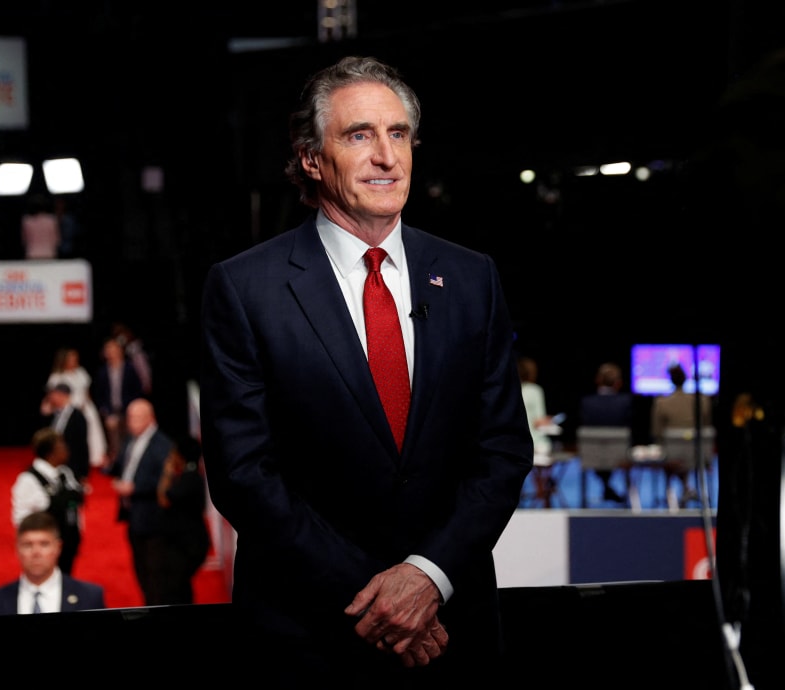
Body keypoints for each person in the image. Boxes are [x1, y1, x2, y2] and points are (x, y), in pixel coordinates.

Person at [199, 56, 534, 686]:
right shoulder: (245, 288)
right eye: (360, 135)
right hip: (310, 637)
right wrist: (383, 599)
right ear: (310, 158)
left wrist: (428, 578)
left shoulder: (471, 277)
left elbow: (504, 450)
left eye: (399, 134)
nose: (386, 155)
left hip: (453, 635)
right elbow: (245, 475)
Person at [106, 398, 174, 606]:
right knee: (140, 566)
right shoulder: (130, 439)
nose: (131, 422)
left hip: (154, 518)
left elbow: (166, 480)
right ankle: (148, 602)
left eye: (137, 418)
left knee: (154, 571)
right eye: (130, 417)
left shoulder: (163, 444)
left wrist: (135, 488)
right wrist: (110, 469)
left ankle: (156, 606)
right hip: (133, 515)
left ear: (150, 418)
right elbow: (123, 465)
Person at [0, 511, 105, 615]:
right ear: (17, 549)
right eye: (28, 545)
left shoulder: (90, 598)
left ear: (58, 548)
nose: (36, 553)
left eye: (44, 544)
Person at [11, 427, 85, 574]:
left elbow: (74, 503)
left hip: (68, 543)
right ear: (51, 453)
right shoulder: (28, 480)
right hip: (45, 550)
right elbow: (21, 519)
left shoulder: (65, 473)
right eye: (62, 446)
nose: (67, 449)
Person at [154, 434, 211, 605]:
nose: (171, 456)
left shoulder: (189, 478)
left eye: (174, 453)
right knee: (179, 586)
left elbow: (163, 498)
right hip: (188, 541)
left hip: (188, 545)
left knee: (176, 587)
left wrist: (166, 473)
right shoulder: (191, 474)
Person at [650, 363, 713, 508]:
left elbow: (657, 432)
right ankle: (686, 488)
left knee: (674, 457)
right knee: (684, 455)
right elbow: (707, 427)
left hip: (673, 458)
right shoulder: (702, 401)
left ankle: (684, 489)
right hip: (699, 456)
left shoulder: (662, 403)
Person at [43, 346, 108, 471]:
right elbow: (52, 397)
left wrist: (87, 404)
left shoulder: (81, 372)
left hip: (86, 408)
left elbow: (87, 392)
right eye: (71, 358)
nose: (74, 360)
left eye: (75, 358)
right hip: (67, 410)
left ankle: (94, 457)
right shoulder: (57, 376)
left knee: (91, 434)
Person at [579, 362, 633, 504]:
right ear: (618, 383)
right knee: (609, 448)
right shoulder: (625, 402)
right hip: (618, 456)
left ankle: (607, 488)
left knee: (601, 448)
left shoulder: (587, 403)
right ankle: (608, 489)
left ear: (598, 380)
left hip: (593, 456)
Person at [92, 337, 143, 463]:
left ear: (120, 350)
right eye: (107, 350)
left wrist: (131, 409)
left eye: (113, 349)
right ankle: (117, 465)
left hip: (129, 410)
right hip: (111, 412)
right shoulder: (102, 371)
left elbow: (137, 391)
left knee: (130, 440)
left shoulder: (130, 368)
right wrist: (105, 411)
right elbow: (99, 394)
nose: (110, 352)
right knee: (115, 443)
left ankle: (131, 463)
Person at [42, 382, 90, 484]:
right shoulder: (54, 414)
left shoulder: (78, 417)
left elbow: (82, 445)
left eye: (54, 394)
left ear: (62, 395)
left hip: (71, 466)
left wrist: (83, 473)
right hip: (55, 465)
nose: (51, 397)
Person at [20, 193, 60, 259]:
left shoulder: (27, 221)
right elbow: (56, 240)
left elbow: (24, 241)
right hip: (49, 254)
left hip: (32, 254)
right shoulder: (52, 220)